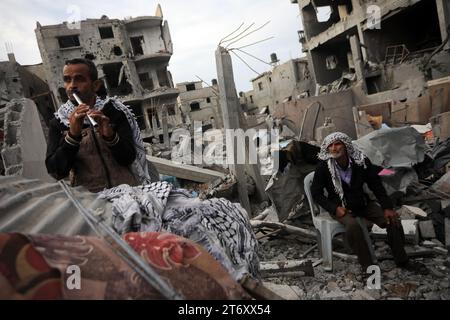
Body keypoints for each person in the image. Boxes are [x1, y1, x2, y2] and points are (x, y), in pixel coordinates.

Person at [311, 132, 428, 274]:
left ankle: (402, 260)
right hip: (341, 207)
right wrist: (334, 208)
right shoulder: (324, 167)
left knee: (392, 220)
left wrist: (387, 207)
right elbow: (316, 193)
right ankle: (368, 266)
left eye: (337, 144)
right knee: (353, 227)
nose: (334, 148)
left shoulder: (361, 161)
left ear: (346, 145)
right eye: (330, 146)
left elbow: (376, 185)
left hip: (362, 203)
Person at [46, 58, 154, 192]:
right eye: (67, 80)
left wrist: (110, 136)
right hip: (91, 201)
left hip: (127, 192)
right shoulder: (59, 122)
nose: (72, 85)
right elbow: (56, 171)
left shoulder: (114, 111)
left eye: (79, 79)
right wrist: (72, 136)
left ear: (96, 85)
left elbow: (128, 158)